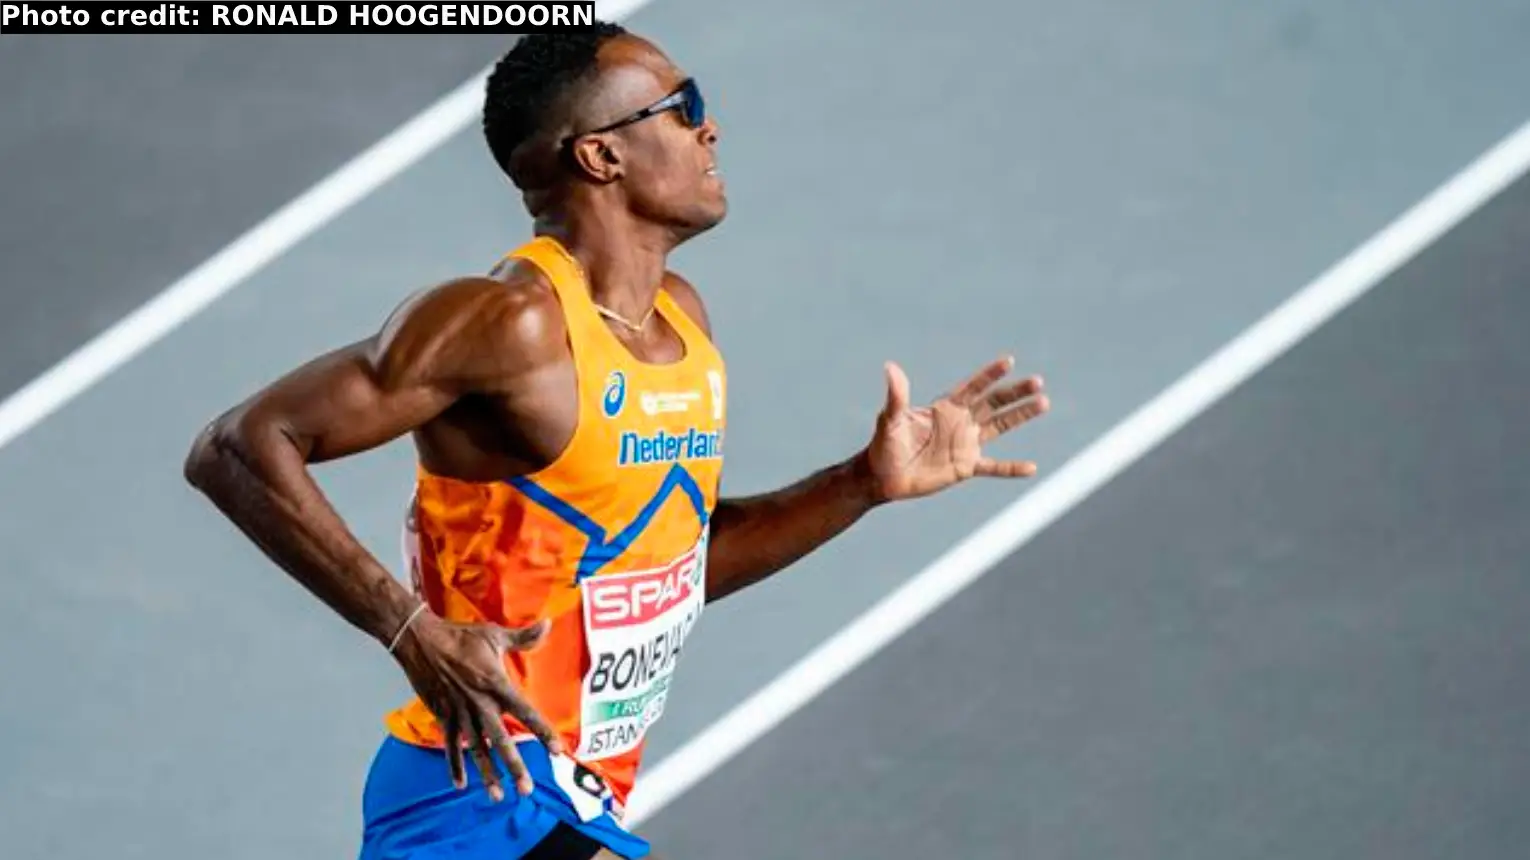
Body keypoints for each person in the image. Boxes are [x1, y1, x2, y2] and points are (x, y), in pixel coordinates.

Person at [182, 21, 1050, 860]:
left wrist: (862, 482)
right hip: (480, 788)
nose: (709, 126)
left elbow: (668, 571)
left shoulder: (682, 321)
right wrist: (410, 628)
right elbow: (236, 446)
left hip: (575, 785)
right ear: (600, 154)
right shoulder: (509, 324)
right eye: (681, 104)